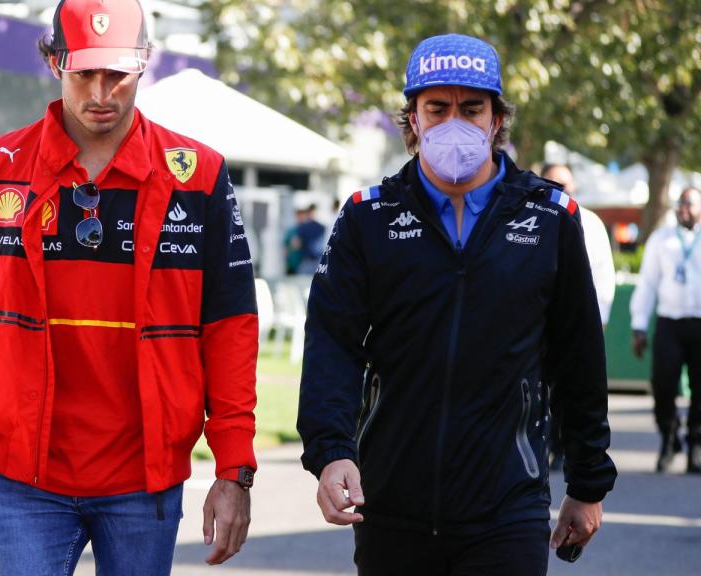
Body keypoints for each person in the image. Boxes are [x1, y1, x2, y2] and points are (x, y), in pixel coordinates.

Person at [0, 0, 260, 573]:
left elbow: (230, 333)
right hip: (26, 481)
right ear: (52, 61)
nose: (101, 93)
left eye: (117, 74)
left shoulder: (200, 175)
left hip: (146, 481)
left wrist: (234, 469)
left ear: (146, 62)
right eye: (83, 73)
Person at [297, 34, 617, 576]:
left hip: (507, 507)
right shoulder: (366, 219)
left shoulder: (549, 220)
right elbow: (332, 345)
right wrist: (331, 452)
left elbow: (578, 357)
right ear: (413, 120)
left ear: (496, 120)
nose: (454, 123)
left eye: (471, 109)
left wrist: (587, 485)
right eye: (436, 108)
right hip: (391, 506)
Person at [541, 163, 616, 471]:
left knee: (569, 386)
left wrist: (598, 320)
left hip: (574, 321)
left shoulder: (591, 223)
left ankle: (563, 447)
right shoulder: (529, 216)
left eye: (566, 183)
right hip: (538, 321)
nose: (562, 189)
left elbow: (602, 275)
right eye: (555, 183)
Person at [630, 186, 701, 474]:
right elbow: (647, 283)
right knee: (663, 384)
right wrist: (639, 325)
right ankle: (668, 437)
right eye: (680, 203)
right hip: (669, 322)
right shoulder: (662, 240)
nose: (683, 208)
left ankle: (696, 443)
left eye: (690, 204)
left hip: (699, 321)